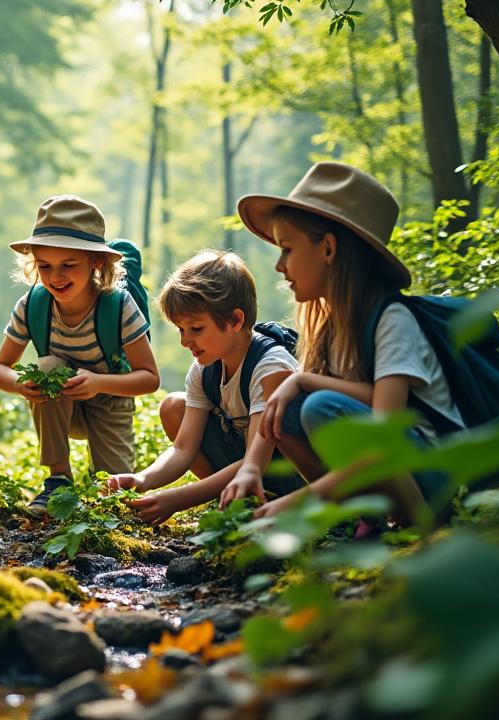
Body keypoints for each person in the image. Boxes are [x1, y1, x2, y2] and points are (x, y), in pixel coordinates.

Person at [222, 161, 457, 524]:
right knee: (288, 408)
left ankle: (416, 526)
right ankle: (361, 519)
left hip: (428, 474)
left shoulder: (391, 320)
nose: (279, 266)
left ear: (328, 249)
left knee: (319, 406)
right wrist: (251, 467)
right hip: (388, 469)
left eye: (287, 249)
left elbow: (387, 432)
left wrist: (299, 502)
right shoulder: (329, 326)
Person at [0, 195, 160, 516]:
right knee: (50, 367)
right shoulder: (33, 305)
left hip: (110, 401)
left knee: (113, 501)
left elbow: (149, 378)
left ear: (96, 262)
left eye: (68, 265)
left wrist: (97, 383)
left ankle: (98, 481)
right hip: (60, 406)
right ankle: (58, 480)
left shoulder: (118, 306)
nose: (55, 277)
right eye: (45, 266)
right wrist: (20, 385)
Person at [106, 250, 302, 523]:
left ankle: (260, 503)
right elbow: (184, 448)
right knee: (174, 406)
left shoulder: (270, 367)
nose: (185, 341)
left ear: (235, 320)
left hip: (281, 471)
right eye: (180, 329)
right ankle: (232, 500)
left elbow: (256, 460)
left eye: (195, 329)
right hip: (244, 465)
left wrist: (180, 498)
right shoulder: (205, 367)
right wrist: (142, 479)